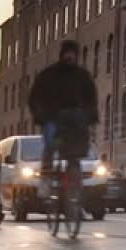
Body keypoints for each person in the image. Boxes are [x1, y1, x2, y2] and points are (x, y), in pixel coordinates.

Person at [27, 40, 100, 182]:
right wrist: (41, 116)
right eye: (67, 53)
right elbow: (34, 97)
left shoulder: (83, 77)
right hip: (52, 118)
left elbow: (91, 100)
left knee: (75, 155)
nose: (70, 57)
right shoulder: (48, 75)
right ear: (62, 55)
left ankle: (74, 191)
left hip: (75, 122)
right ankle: (46, 181)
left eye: (72, 54)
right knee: (50, 146)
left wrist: (90, 117)